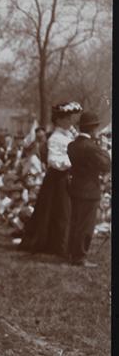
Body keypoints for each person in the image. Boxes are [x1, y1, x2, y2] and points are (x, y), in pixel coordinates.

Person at [20, 102, 82, 256]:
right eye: (67, 118)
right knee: (60, 211)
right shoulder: (55, 138)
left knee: (63, 210)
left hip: (65, 177)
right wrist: (73, 161)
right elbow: (53, 161)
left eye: (70, 118)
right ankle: (56, 245)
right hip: (57, 178)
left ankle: (61, 243)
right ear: (59, 120)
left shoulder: (69, 135)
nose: (70, 121)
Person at [67, 111, 111, 267]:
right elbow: (106, 165)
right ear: (93, 129)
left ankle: (71, 253)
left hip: (75, 187)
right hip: (90, 189)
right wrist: (104, 148)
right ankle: (80, 257)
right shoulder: (92, 147)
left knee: (75, 222)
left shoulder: (72, 146)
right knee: (85, 225)